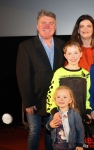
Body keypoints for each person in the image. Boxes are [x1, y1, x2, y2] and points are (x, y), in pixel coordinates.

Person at [16, 9, 65, 150]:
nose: (47, 26)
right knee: (34, 132)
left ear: (55, 27)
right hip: (34, 99)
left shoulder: (63, 45)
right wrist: (28, 102)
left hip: (56, 100)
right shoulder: (26, 46)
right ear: (37, 26)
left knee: (52, 132)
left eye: (51, 23)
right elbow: (23, 76)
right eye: (43, 23)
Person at [46, 40, 91, 120]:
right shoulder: (59, 73)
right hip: (62, 115)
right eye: (69, 53)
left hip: (81, 115)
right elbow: (52, 93)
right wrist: (54, 111)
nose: (73, 56)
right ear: (65, 56)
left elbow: (89, 94)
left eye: (75, 53)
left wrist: (88, 111)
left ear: (81, 54)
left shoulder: (86, 74)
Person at [46, 86, 84, 150]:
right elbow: (48, 128)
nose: (61, 99)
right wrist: (50, 125)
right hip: (56, 146)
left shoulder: (75, 114)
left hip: (71, 146)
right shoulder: (54, 114)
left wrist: (80, 144)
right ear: (55, 100)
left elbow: (80, 130)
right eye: (58, 97)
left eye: (64, 97)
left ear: (70, 100)